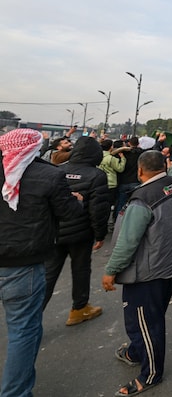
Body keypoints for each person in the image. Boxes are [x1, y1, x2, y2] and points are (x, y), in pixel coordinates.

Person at [0, 129, 85, 397]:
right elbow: (68, 213)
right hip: (23, 266)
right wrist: (77, 201)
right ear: (36, 148)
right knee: (23, 332)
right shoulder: (49, 175)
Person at [102, 151, 172, 397]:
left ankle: (150, 374)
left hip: (149, 272)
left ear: (140, 171)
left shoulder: (142, 199)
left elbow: (127, 242)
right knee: (151, 316)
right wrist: (171, 164)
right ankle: (135, 352)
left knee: (143, 323)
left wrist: (111, 271)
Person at [44, 136, 111, 325]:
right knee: (81, 270)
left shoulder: (56, 170)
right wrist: (100, 234)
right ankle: (79, 309)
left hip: (55, 232)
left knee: (49, 273)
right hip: (81, 234)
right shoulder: (96, 175)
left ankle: (32, 313)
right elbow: (98, 209)